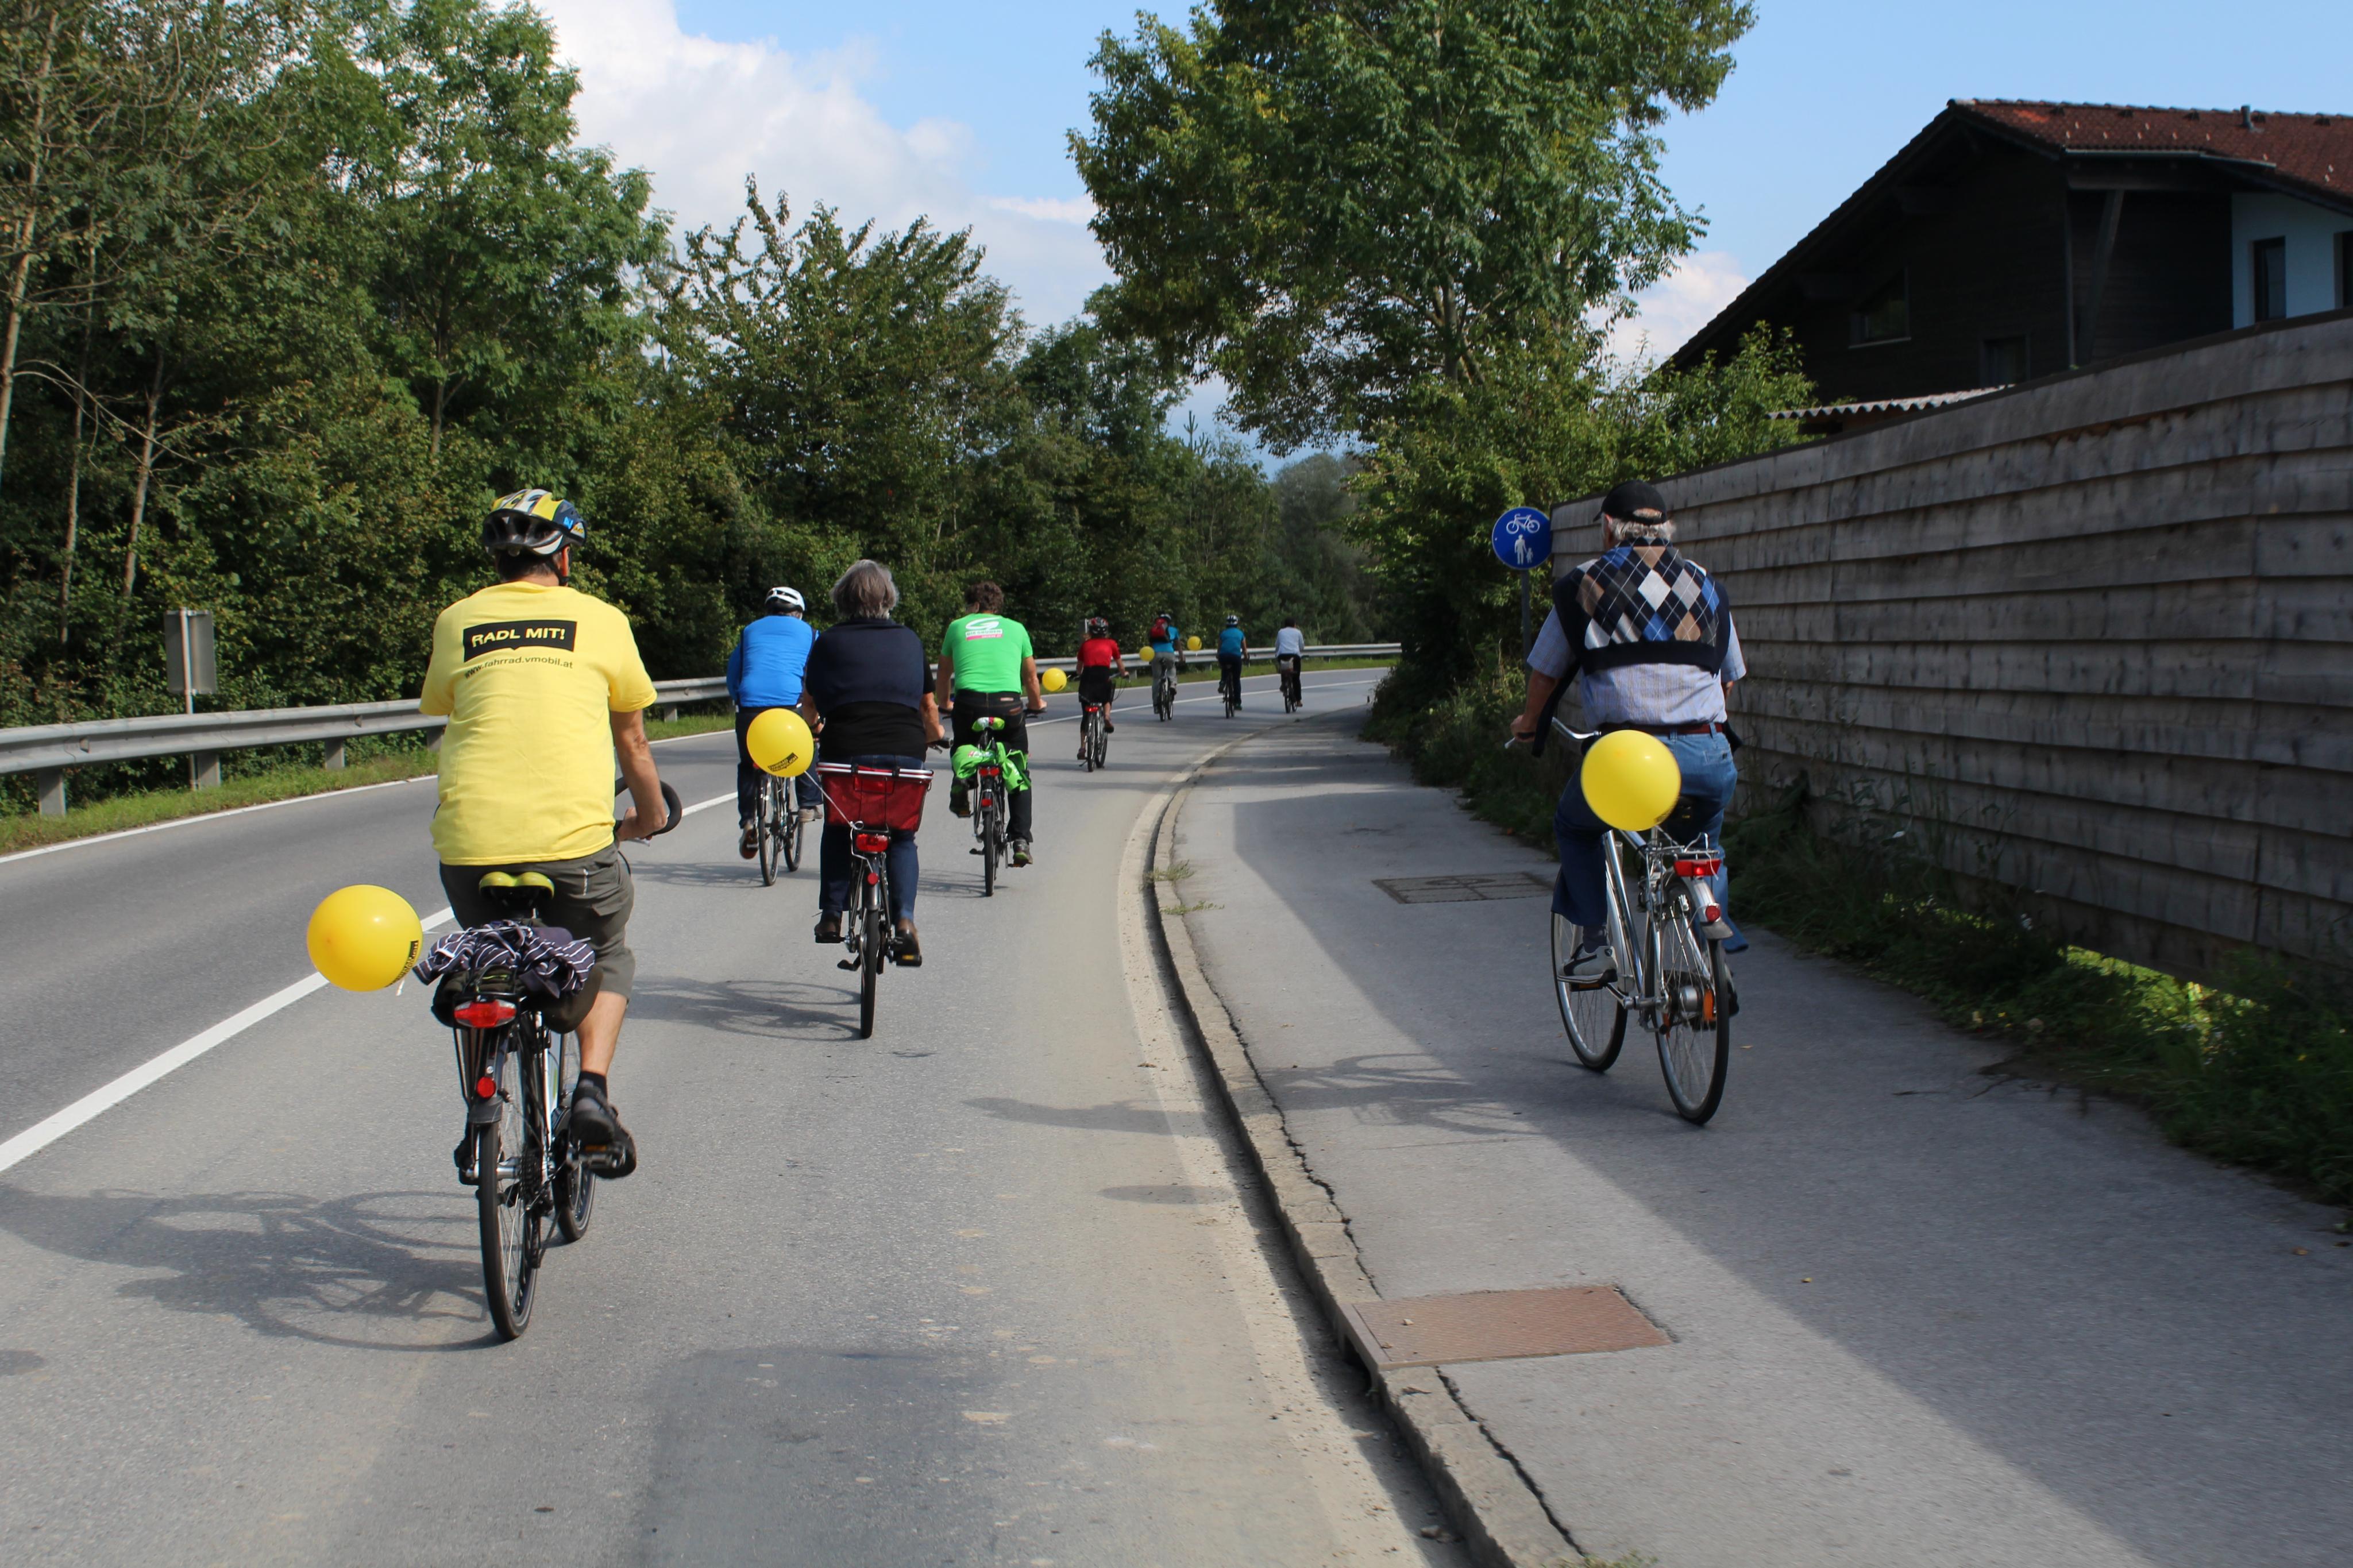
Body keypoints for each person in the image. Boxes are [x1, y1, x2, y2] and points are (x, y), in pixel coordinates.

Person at [419, 488, 666, 1176]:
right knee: (607, 952)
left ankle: (481, 1110)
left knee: (486, 960)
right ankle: (591, 1091)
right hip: (573, 849)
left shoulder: (457, 620)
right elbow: (633, 741)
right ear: (562, 556)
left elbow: (444, 705)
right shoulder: (601, 619)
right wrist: (649, 818)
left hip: (469, 848)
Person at [1509, 480, 1746, 985]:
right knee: (1702, 847)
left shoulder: (1583, 584)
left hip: (1628, 761)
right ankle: (1713, 954)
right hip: (1707, 752)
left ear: (1608, 527)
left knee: (1576, 826)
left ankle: (1595, 945)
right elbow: (1728, 679)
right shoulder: (1706, 585)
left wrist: (1529, 725)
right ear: (1666, 528)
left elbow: (1546, 674)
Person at [800, 560, 943, 964]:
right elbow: (927, 705)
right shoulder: (910, 640)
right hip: (903, 749)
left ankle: (832, 915)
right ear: (888, 598)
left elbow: (810, 702)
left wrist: (814, 728)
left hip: (845, 749)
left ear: (843, 599)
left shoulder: (827, 642)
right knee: (902, 836)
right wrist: (934, 735)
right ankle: (905, 921)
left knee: (838, 827)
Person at [936, 581, 1046, 867]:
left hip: (968, 704)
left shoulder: (957, 627)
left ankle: (963, 780)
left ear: (974, 605)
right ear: (997, 605)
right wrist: (1036, 704)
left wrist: (945, 703)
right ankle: (1020, 840)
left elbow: (944, 673)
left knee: (963, 744)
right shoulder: (1017, 629)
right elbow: (1030, 677)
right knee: (1018, 767)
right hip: (1008, 706)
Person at [727, 586, 819, 859]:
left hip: (750, 709)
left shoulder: (749, 631)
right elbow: (819, 675)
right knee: (808, 746)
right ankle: (808, 803)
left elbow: (734, 673)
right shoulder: (811, 633)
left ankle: (749, 821)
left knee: (749, 765)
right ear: (798, 613)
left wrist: (741, 700)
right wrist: (819, 715)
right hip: (791, 707)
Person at [1074, 615, 1127, 753]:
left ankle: (1083, 747)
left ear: (1091, 631)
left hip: (1088, 676)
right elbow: (1120, 665)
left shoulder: (1085, 645)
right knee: (1107, 697)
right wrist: (1124, 673)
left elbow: (1079, 668)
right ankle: (1107, 716)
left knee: (1086, 714)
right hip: (1103, 674)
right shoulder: (1111, 644)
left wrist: (1079, 674)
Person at [1147, 610, 1185, 711]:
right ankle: (1172, 684)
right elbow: (1178, 645)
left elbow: (1150, 645)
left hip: (1155, 654)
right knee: (1172, 668)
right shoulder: (1174, 630)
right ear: (1169, 622)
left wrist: (1151, 659)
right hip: (1169, 653)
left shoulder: (1154, 630)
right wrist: (1182, 657)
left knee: (1156, 679)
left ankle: (1156, 706)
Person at [1216, 614, 1248, 707]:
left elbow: (1219, 648)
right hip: (1236, 657)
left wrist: (1218, 656)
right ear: (1237, 623)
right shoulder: (1240, 633)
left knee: (1224, 668)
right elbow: (1244, 649)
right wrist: (1246, 657)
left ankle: (1223, 682)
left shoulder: (1223, 633)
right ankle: (1237, 702)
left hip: (1224, 656)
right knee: (1236, 680)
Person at [1273, 616, 1305, 704]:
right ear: (1294, 625)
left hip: (1282, 655)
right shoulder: (1298, 632)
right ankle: (1298, 700)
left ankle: (1284, 683)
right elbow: (1302, 646)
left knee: (1284, 670)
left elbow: (1277, 645)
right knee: (1296, 678)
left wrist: (1277, 653)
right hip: (1294, 656)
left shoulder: (1281, 632)